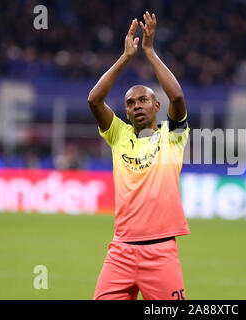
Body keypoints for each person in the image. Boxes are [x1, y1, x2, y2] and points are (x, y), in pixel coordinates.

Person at [88, 12, 190, 300]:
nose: (136, 106)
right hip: (120, 251)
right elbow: (94, 99)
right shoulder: (117, 134)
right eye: (130, 103)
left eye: (143, 99)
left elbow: (179, 98)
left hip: (160, 252)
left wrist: (149, 51)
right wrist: (125, 58)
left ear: (157, 105)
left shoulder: (172, 136)